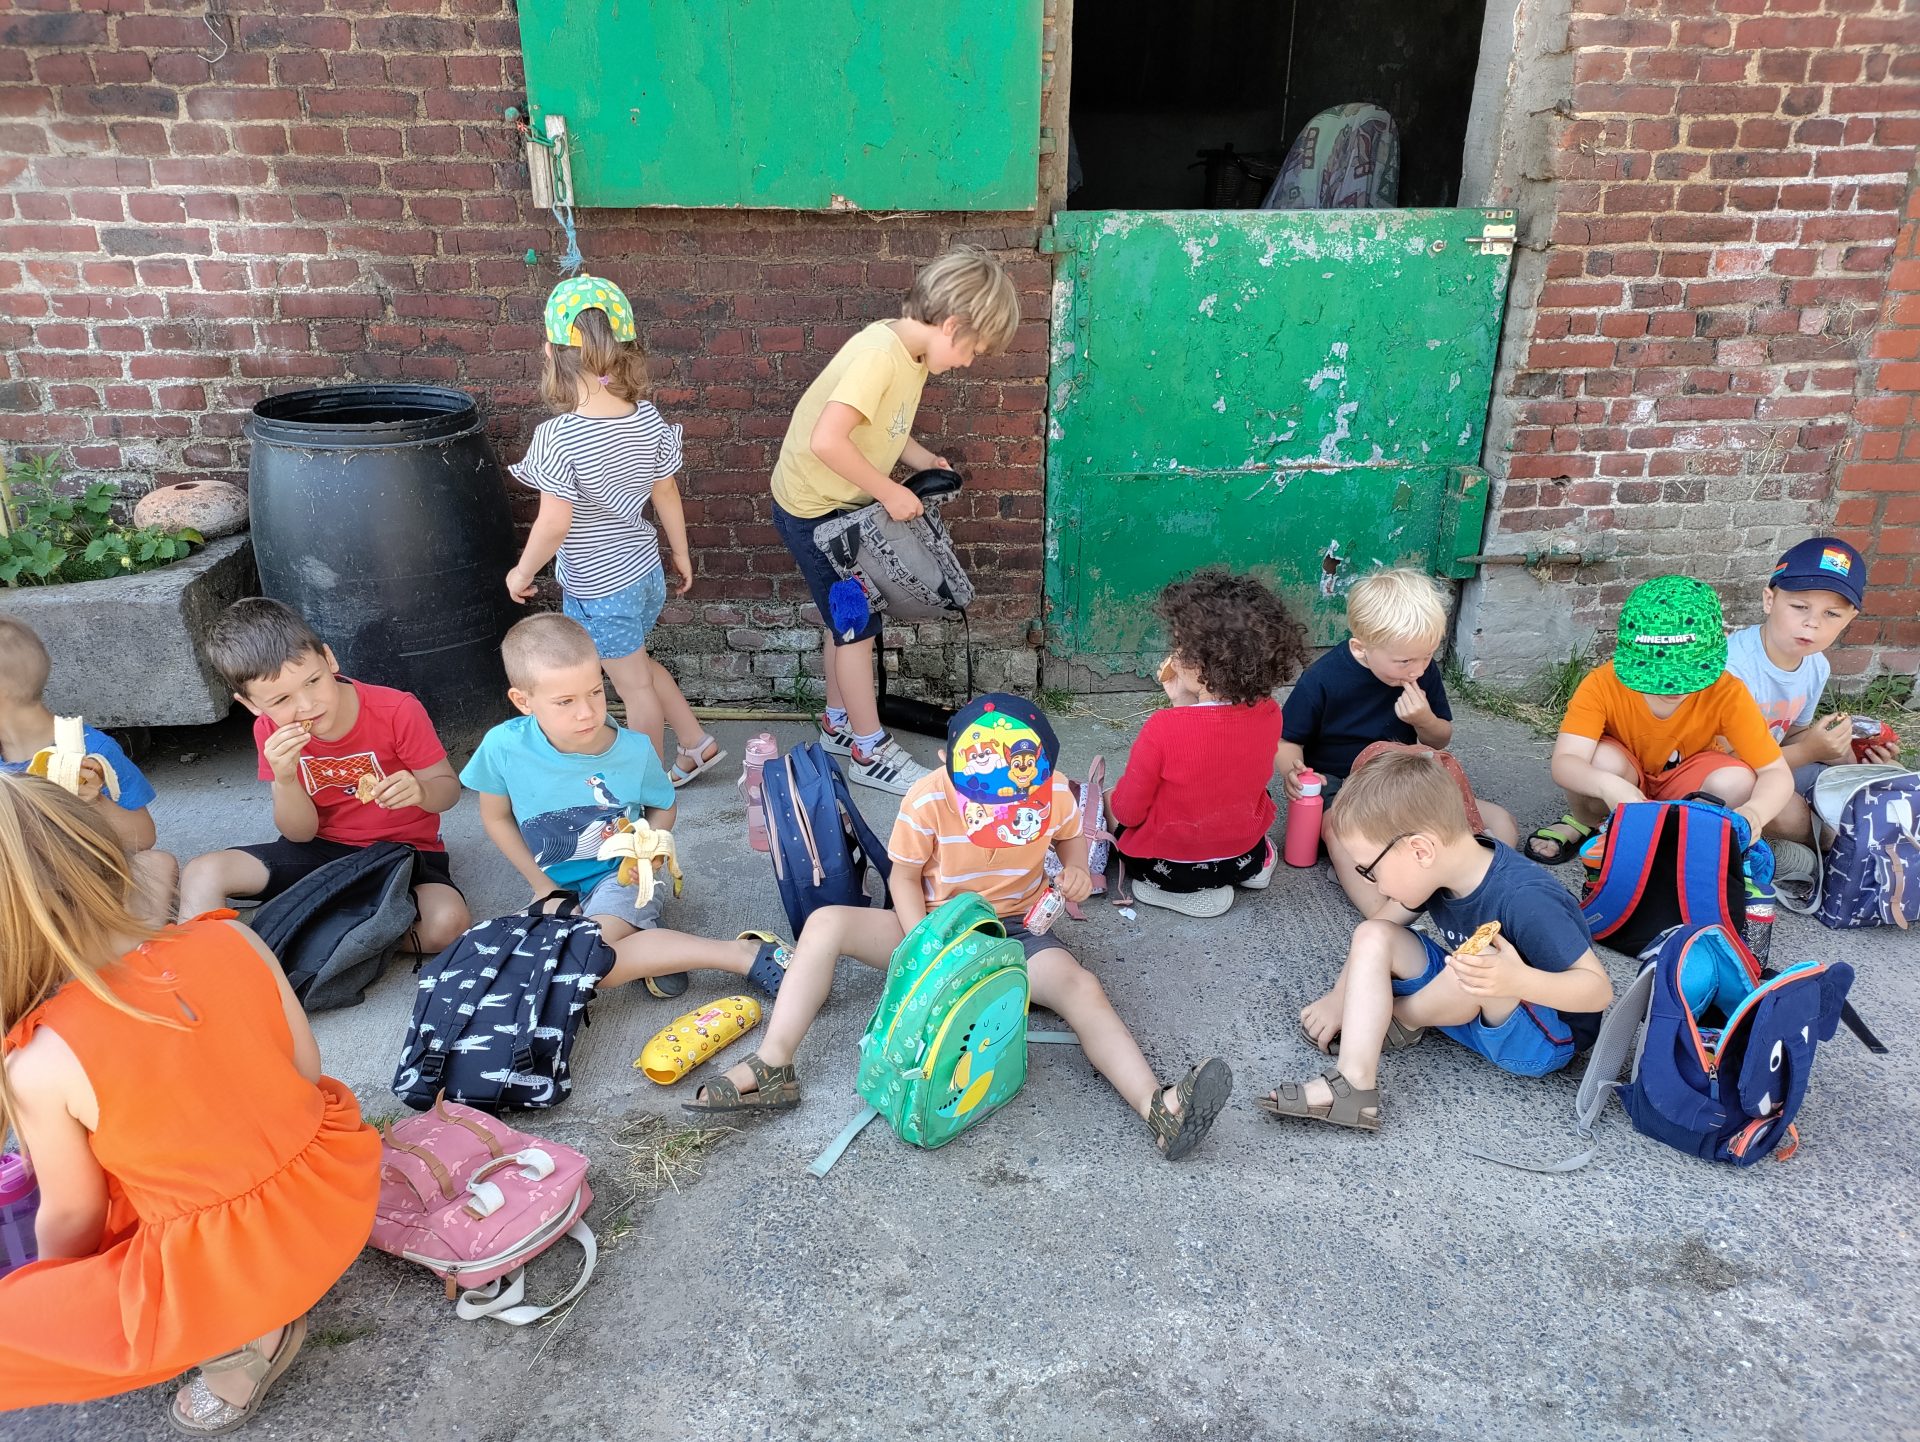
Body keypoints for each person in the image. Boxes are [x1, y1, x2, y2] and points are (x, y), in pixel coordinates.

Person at [682, 693, 1233, 1162]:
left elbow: (1070, 838)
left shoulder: (1052, 794)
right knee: (825, 925)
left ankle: (1158, 1107)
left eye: (1015, 804)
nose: (999, 819)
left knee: (1082, 988)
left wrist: (1073, 871)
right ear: (946, 760)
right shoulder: (926, 799)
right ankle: (773, 1064)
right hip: (935, 923)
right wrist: (925, 945)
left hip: (1015, 932)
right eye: (982, 804)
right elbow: (903, 877)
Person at [0, 774, 379, 1429]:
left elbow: (74, 1218)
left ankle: (244, 1345)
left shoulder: (39, 1061)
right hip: (336, 1195)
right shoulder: (231, 937)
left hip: (232, 1268)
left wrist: (68, 1291)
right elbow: (306, 1072)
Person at [769, 246, 1021, 794]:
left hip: (836, 507)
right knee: (857, 627)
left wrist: (922, 458)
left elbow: (884, 425)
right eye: (972, 350)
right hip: (817, 514)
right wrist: (888, 491)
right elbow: (827, 439)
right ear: (951, 325)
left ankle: (839, 724)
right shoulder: (879, 355)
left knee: (844, 623)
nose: (969, 362)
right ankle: (869, 750)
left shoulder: (909, 352)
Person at [1259, 750, 1612, 1132]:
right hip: (1471, 1002)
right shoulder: (1439, 869)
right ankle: (1354, 1084)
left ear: (1420, 850)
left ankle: (1398, 1018)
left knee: (1477, 959)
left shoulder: (1527, 899)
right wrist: (1339, 996)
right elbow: (1381, 923)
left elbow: (1597, 992)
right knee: (1374, 934)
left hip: (1542, 1038)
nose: (1375, 885)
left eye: (1370, 870)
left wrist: (1514, 979)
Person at [460, 613, 790, 1001]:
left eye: (594, 692)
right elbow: (496, 817)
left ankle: (744, 953)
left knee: (584, 961)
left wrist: (647, 852)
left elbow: (663, 806)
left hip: (620, 877)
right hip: (555, 883)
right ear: (523, 701)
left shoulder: (633, 750)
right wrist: (543, 886)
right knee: (538, 963)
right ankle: (651, 946)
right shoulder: (503, 747)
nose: (586, 712)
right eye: (565, 701)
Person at [505, 274, 726, 787]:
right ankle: (697, 744)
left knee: (633, 688)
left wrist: (521, 572)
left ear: (550, 352)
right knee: (637, 668)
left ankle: (642, 786)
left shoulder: (558, 436)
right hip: (643, 572)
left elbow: (554, 522)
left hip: (601, 586)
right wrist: (681, 553)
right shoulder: (646, 418)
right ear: (625, 348)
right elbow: (665, 492)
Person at [176, 599, 472, 952]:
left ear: (329, 659)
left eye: (314, 681)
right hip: (320, 853)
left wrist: (421, 791)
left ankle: (316, 926)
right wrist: (285, 779)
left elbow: (448, 791)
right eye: (281, 700)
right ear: (252, 705)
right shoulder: (270, 731)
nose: (307, 705)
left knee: (447, 923)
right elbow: (299, 833)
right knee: (204, 872)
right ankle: (201, 963)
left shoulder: (396, 710)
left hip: (404, 854)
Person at [1275, 567, 1519, 913]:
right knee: (1336, 832)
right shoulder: (1323, 678)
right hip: (1340, 784)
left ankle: (1488, 884)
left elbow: (1440, 739)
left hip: (1400, 774)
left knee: (1501, 820)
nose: (1417, 669)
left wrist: (1424, 719)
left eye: (1427, 656)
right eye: (1404, 661)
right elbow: (1287, 740)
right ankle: (1385, 914)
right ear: (1361, 647)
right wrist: (1293, 771)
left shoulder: (1421, 670)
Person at [1526, 574, 1794, 865]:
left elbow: (1775, 771)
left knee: (1738, 781)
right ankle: (1589, 822)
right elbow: (1566, 761)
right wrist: (1607, 786)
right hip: (1624, 776)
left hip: (1686, 784)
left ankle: (1678, 837)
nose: (1674, 688)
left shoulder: (1727, 693)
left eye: (1688, 674)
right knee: (1600, 762)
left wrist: (1755, 813)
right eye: (1657, 676)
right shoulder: (1601, 684)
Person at [1108, 569, 1308, 917]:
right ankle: (1257, 869)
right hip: (1243, 853)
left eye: (1179, 645)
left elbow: (1129, 812)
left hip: (1173, 868)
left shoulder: (1162, 728)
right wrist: (1183, 704)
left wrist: (1177, 709)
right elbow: (1217, 760)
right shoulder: (1270, 712)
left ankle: (1182, 895)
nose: (1174, 653)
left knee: (1111, 800)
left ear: (1198, 666)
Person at [1724, 537, 1896, 882]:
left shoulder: (1816, 665)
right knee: (1785, 809)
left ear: (1849, 619)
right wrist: (1810, 752)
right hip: (1729, 774)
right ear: (1770, 600)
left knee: (1888, 776)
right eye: (1800, 606)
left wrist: (1846, 755)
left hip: (1773, 764)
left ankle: (1819, 844)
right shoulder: (1734, 668)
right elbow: (1729, 763)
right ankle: (1825, 848)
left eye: (1831, 614)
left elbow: (1792, 733)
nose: (1813, 623)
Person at [0, 618, 175, 924]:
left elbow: (143, 837)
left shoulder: (92, 751)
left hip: (92, 884)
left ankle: (135, 945)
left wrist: (96, 802)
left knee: (156, 865)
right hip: (26, 895)